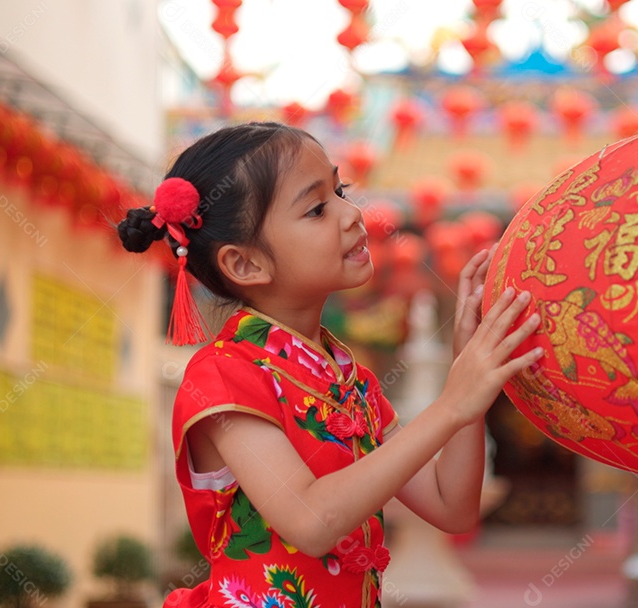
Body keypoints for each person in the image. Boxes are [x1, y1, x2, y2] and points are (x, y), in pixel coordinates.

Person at [116, 122, 542, 608]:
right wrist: (450, 405)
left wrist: (466, 376)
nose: (352, 214)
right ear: (246, 264)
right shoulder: (222, 375)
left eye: (340, 191)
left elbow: (452, 506)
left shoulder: (350, 380)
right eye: (317, 208)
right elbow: (310, 521)